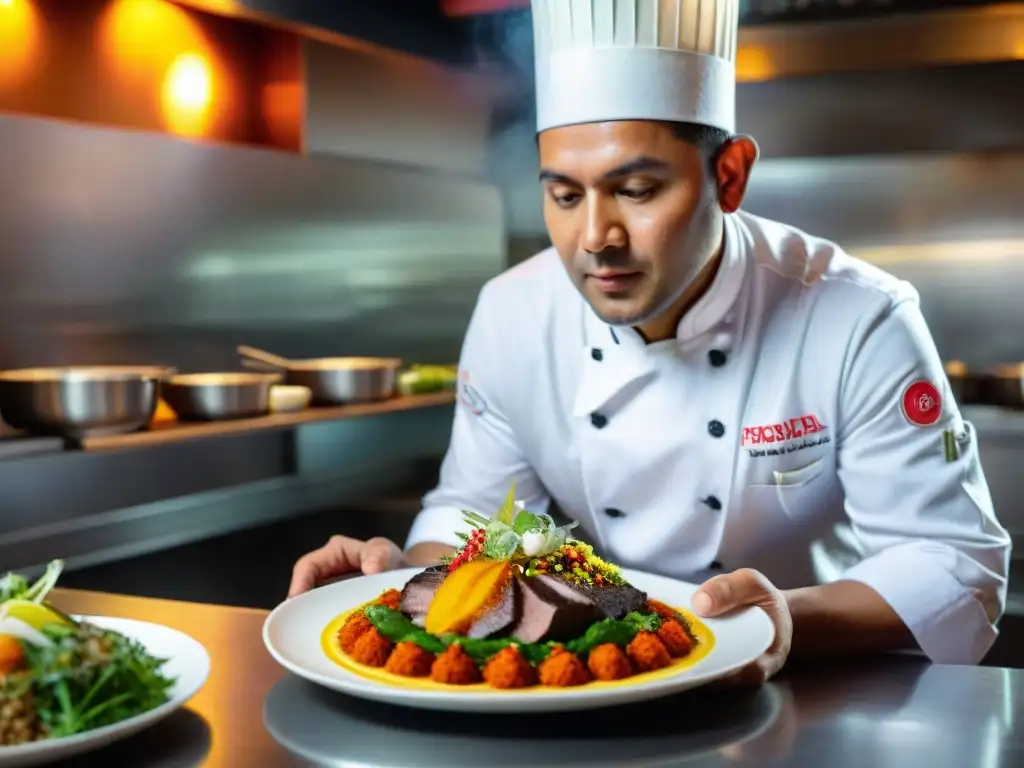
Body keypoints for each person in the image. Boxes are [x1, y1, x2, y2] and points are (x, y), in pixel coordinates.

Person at [290, 0, 1010, 676]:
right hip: (592, 689)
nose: (595, 238)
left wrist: (783, 622)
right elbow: (473, 514)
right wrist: (407, 587)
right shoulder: (512, 314)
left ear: (729, 177)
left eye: (635, 191)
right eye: (565, 196)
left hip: (810, 684)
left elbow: (951, 564)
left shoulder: (857, 316)